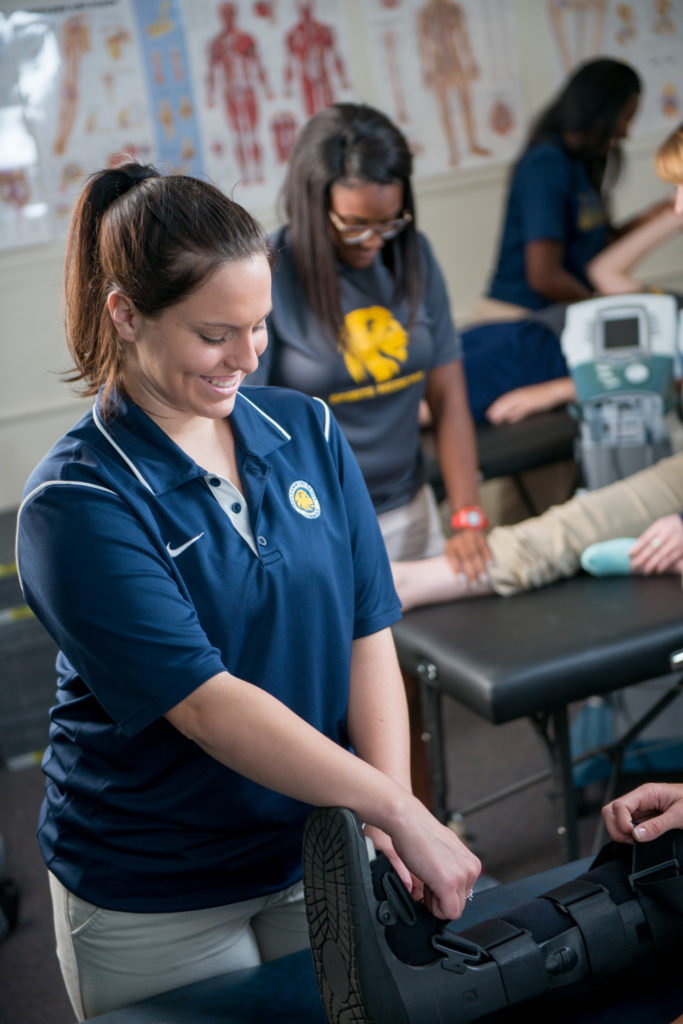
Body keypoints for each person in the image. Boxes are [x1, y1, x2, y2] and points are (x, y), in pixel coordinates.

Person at [15, 162, 481, 1020]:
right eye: (215, 333)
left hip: (314, 848)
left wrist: (382, 819)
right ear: (125, 313)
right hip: (154, 885)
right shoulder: (74, 504)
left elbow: (365, 628)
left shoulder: (305, 430)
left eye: (259, 326)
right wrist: (391, 804)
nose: (247, 355)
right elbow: (206, 704)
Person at [392, 121, 683, 605]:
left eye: (680, 189)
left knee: (426, 402)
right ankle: (407, 583)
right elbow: (602, 272)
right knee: (574, 522)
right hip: (527, 334)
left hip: (543, 358)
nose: (675, 205)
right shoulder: (666, 306)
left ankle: (406, 584)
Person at [249, 101, 490, 580]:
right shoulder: (270, 275)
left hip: (410, 507)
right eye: (355, 225)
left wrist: (467, 514)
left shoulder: (413, 256)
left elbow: (448, 396)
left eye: (389, 222)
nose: (375, 240)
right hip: (317, 526)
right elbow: (245, 426)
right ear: (313, 205)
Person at [480, 57, 669, 321]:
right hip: (521, 319)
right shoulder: (546, 164)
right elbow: (544, 276)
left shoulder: (578, 164)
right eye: (625, 118)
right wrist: (601, 310)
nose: (625, 133)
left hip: (556, 314)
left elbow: (596, 249)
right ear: (602, 112)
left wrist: (654, 217)